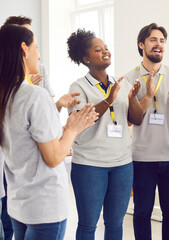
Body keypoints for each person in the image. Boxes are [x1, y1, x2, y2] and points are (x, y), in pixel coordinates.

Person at [0, 24, 98, 240]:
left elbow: (25, 139)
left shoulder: (5, 94)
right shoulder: (34, 95)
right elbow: (53, 157)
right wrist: (72, 130)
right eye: (36, 47)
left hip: (18, 204)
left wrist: (62, 130)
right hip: (44, 207)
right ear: (24, 48)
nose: (39, 54)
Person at [67, 28, 143, 240]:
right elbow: (83, 119)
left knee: (115, 223)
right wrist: (109, 99)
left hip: (122, 164)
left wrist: (133, 97)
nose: (105, 52)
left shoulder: (121, 82)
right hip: (90, 165)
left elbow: (136, 119)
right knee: (88, 224)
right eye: (98, 50)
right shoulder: (78, 86)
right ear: (86, 58)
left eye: (107, 48)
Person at [123, 23, 169, 240]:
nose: (158, 44)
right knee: (141, 212)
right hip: (142, 158)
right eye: (153, 40)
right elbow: (131, 121)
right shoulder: (130, 77)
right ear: (142, 45)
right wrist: (146, 96)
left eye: (162, 41)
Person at [3, 15, 80, 112]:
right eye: (26, 34)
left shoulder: (40, 69)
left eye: (31, 34)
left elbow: (46, 115)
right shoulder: (4, 74)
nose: (31, 38)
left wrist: (58, 104)